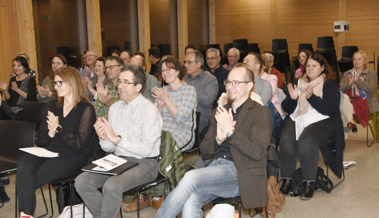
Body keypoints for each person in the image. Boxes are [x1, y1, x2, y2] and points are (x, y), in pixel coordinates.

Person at [157, 65, 272, 218]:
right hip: (214, 169)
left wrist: (231, 132)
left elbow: (257, 152)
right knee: (190, 200)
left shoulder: (261, 112)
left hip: (240, 173)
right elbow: (204, 151)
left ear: (249, 85)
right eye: (228, 82)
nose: (229, 86)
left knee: (190, 177)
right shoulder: (220, 111)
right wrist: (218, 139)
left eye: (235, 83)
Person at [75, 64, 163, 218]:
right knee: (82, 182)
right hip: (118, 160)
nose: (120, 86)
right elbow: (109, 148)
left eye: (125, 83)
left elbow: (147, 149)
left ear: (138, 87)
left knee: (111, 186)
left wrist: (117, 139)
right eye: (119, 82)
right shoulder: (115, 108)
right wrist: (104, 138)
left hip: (145, 163)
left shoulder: (149, 110)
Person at [16, 66, 98, 218]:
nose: (56, 87)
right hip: (49, 151)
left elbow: (79, 143)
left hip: (74, 156)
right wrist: (51, 132)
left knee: (30, 179)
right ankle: (25, 214)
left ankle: (25, 213)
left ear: (72, 83)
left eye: (60, 83)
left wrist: (58, 129)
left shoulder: (86, 108)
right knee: (24, 163)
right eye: (55, 83)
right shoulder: (53, 106)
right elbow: (40, 140)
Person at [279, 53, 344, 200]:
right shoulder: (299, 82)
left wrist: (311, 98)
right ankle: (287, 179)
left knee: (307, 140)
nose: (310, 68)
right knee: (286, 136)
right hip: (299, 117)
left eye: (314, 65)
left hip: (323, 121)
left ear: (322, 68)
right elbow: (287, 108)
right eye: (308, 65)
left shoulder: (330, 84)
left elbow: (330, 109)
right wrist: (293, 98)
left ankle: (309, 182)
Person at [152, 57, 197, 151]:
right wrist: (160, 105)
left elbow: (180, 119)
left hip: (181, 133)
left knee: (159, 148)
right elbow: (155, 121)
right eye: (163, 71)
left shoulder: (189, 90)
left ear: (177, 71)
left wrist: (166, 100)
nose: (165, 73)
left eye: (168, 69)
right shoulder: (162, 91)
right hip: (161, 132)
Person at [340, 51, 378, 134]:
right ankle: (349, 125)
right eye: (355, 59)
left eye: (359, 59)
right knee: (344, 100)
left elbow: (371, 89)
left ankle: (343, 136)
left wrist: (358, 81)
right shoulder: (347, 73)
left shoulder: (371, 74)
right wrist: (348, 84)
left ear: (365, 61)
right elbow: (340, 90)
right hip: (350, 100)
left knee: (343, 108)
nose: (356, 61)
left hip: (366, 101)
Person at [184, 50, 218, 132]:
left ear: (199, 64)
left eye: (189, 62)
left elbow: (208, 101)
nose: (185, 65)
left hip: (200, 118)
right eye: (185, 62)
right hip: (183, 115)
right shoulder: (184, 79)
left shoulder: (210, 79)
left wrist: (190, 93)